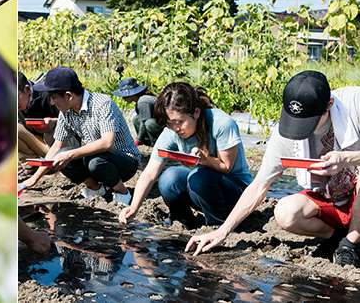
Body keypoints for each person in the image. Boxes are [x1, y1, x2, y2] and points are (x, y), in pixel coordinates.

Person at [184, 71, 360, 267]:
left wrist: (348, 158)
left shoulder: (354, 104)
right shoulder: (285, 132)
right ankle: (336, 237)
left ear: (329, 105)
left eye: (307, 123)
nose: (298, 130)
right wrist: (223, 230)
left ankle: (351, 243)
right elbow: (260, 184)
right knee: (286, 212)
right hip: (332, 199)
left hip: (356, 196)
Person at [118, 82, 252, 228]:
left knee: (199, 177)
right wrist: (133, 208)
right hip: (202, 189)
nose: (176, 128)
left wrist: (205, 160)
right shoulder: (172, 131)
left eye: (180, 122)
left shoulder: (222, 123)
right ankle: (184, 222)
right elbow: (150, 173)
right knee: (169, 177)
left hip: (237, 193)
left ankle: (217, 225)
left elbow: (226, 167)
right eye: (170, 123)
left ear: (196, 112)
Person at [22, 66, 141, 205]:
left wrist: (70, 154)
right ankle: (97, 189)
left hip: (124, 161)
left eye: (53, 97)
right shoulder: (66, 112)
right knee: (62, 155)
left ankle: (122, 192)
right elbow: (56, 146)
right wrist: (34, 178)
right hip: (96, 161)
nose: (51, 102)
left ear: (69, 96)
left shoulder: (102, 104)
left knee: (91, 159)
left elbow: (107, 143)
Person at [18, 72, 61, 160]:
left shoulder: (49, 95)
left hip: (59, 146)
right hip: (41, 145)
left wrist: (53, 122)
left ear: (27, 90)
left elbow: (73, 121)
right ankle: (33, 163)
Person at [112, 77, 163, 146]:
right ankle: (149, 142)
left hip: (165, 126)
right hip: (159, 123)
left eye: (125, 96)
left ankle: (158, 144)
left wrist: (138, 140)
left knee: (149, 123)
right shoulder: (140, 100)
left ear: (132, 94)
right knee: (136, 119)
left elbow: (144, 122)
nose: (123, 98)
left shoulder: (143, 101)